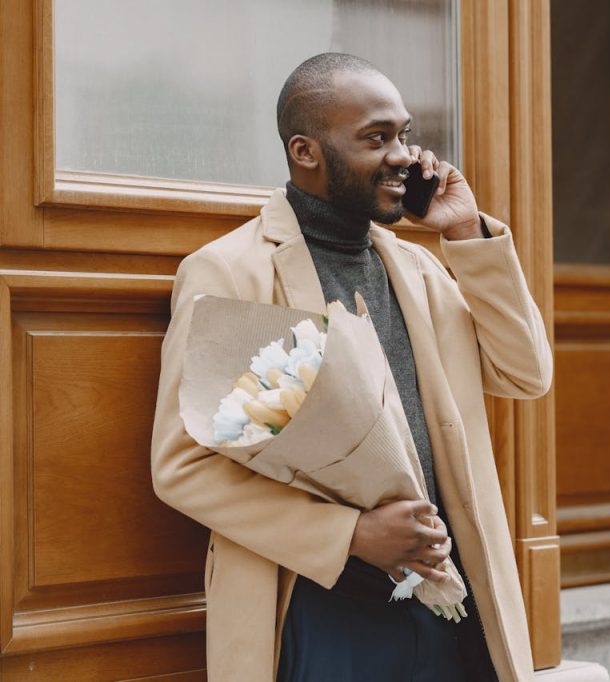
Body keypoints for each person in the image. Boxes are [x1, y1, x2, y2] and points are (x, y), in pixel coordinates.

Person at [150, 53, 552, 682]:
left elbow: (525, 373)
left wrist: (468, 234)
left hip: (451, 600)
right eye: (376, 138)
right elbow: (186, 466)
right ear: (306, 151)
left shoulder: (418, 271)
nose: (405, 156)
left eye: (404, 134)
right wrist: (350, 535)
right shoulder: (237, 274)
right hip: (320, 604)